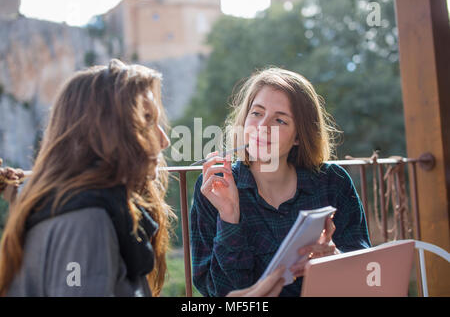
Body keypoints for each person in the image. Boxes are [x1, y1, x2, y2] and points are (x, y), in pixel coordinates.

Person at [0, 59, 285, 297]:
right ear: (106, 135)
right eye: (147, 122)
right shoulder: (85, 221)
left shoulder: (99, 209)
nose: (163, 141)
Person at [190, 67, 372, 297]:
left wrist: (334, 260)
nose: (262, 127)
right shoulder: (215, 188)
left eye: (280, 120)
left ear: (299, 136)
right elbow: (221, 294)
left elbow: (368, 278)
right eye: (256, 113)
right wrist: (229, 215)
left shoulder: (332, 182)